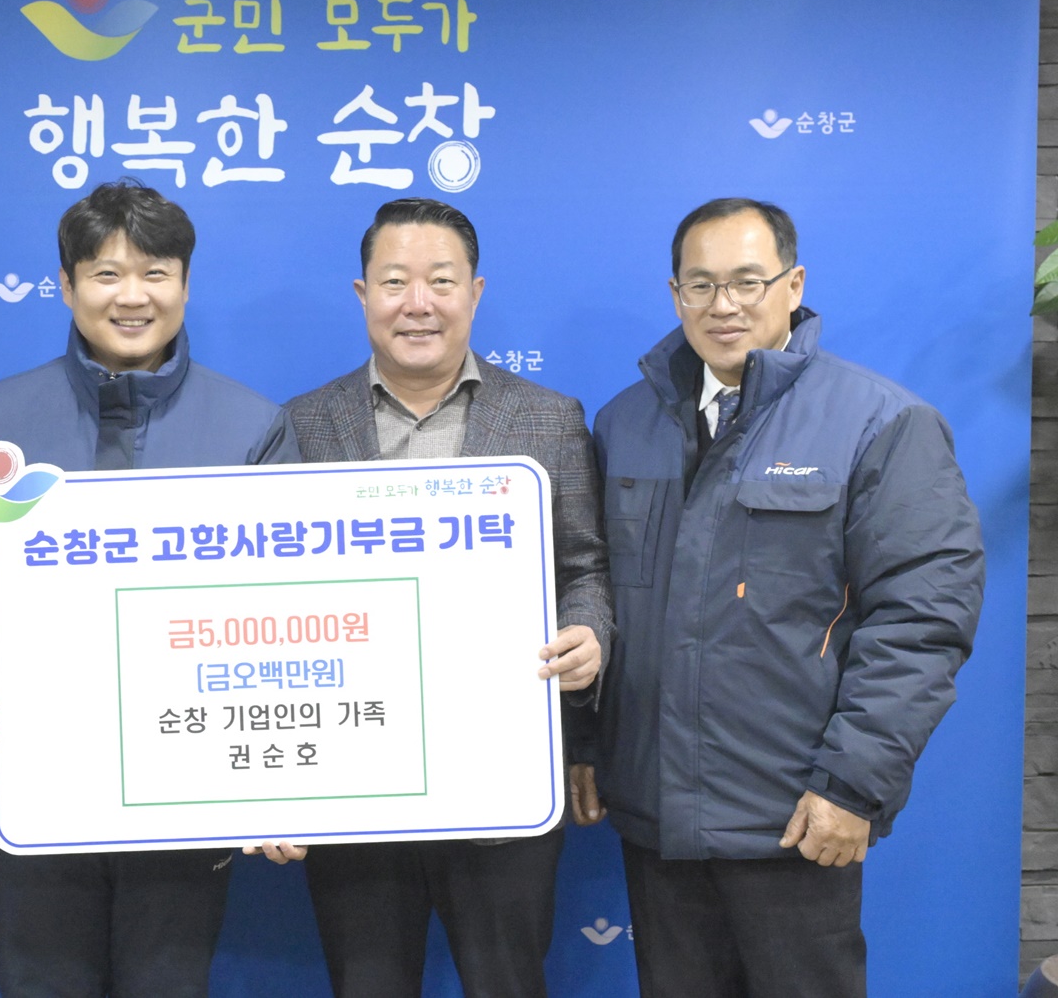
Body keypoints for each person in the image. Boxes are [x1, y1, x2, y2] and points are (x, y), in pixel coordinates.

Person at [588, 198, 985, 997]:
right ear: (674, 293)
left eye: (747, 281)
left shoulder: (880, 422)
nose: (723, 305)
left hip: (796, 821)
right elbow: (598, 600)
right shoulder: (625, 422)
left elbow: (921, 622)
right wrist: (588, 746)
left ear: (793, 284)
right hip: (657, 821)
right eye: (701, 284)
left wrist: (852, 787)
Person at [0, 178, 300, 998]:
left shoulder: (253, 427)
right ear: (65, 285)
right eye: (106, 273)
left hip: (190, 784)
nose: (133, 296)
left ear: (186, 284)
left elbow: (286, 605)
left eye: (155, 272)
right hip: (38, 772)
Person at [283, 197, 611, 998]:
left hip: (501, 774)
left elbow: (584, 568)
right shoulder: (300, 425)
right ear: (363, 294)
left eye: (441, 280)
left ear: (475, 291)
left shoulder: (548, 418)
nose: (418, 303)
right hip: (353, 782)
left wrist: (589, 633)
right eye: (395, 281)